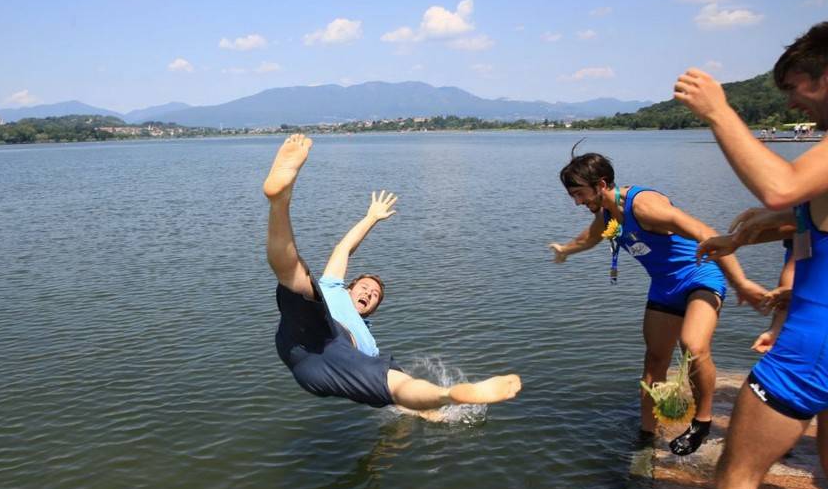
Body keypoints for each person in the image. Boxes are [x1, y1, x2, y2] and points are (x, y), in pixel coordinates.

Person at [657, 21, 828, 489]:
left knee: (738, 474)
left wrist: (719, 111)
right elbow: (804, 216)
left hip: (815, 342)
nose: (790, 102)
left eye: (797, 88)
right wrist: (752, 231)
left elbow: (781, 186)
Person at [264, 134, 521, 419]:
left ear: (374, 310)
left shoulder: (369, 346)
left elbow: (395, 395)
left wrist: (425, 413)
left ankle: (448, 394)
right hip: (309, 332)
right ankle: (279, 200)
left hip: (333, 363)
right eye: (363, 288)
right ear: (349, 288)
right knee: (296, 278)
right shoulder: (333, 287)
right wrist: (371, 218)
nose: (367, 294)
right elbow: (344, 248)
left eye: (374, 296)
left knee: (397, 382)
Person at [549, 151, 766, 455]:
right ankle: (646, 434)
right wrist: (564, 250)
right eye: (572, 196)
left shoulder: (645, 207)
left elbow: (706, 233)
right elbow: (589, 238)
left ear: (601, 184)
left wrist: (740, 282)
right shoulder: (608, 215)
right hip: (664, 288)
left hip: (700, 276)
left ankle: (701, 422)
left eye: (579, 194)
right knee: (654, 360)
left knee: (693, 345)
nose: (577, 202)